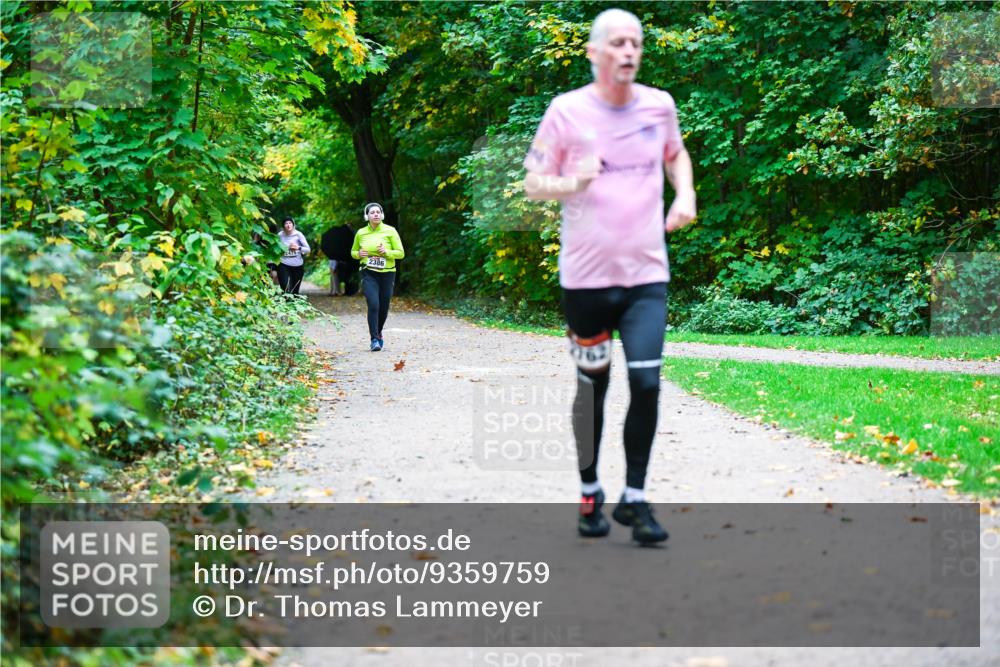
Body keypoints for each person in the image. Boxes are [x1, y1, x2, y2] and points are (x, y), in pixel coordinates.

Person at [523, 8, 696, 544]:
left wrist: (685, 192)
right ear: (595, 52)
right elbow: (533, 183)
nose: (628, 51)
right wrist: (572, 180)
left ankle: (636, 500)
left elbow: (677, 154)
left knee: (646, 381)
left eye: (636, 43)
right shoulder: (566, 111)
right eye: (618, 43)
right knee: (592, 388)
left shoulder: (658, 105)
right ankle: (589, 489)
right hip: (587, 282)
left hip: (646, 275)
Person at [351, 202, 404, 351]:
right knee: (373, 304)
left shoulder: (390, 231)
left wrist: (386, 252)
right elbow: (353, 252)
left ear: (382, 215)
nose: (375, 214)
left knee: (384, 307)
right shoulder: (361, 233)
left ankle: (378, 332)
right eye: (372, 212)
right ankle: (374, 339)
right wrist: (358, 254)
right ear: (366, 216)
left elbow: (400, 253)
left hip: (388, 273)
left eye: (378, 212)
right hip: (369, 272)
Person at [321, 222, 357, 296]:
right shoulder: (350, 235)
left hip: (334, 258)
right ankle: (338, 291)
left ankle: (334, 291)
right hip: (347, 260)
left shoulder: (334, 233)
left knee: (334, 275)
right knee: (341, 275)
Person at [277, 217, 310, 295]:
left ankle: (294, 305)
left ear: (293, 225)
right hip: (283, 264)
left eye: (290, 223)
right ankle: (286, 305)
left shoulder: (298, 234)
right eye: (286, 223)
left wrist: (298, 247)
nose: (288, 225)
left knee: (295, 291)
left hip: (297, 265)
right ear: (283, 226)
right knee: (286, 289)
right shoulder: (280, 235)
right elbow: (275, 249)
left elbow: (308, 249)